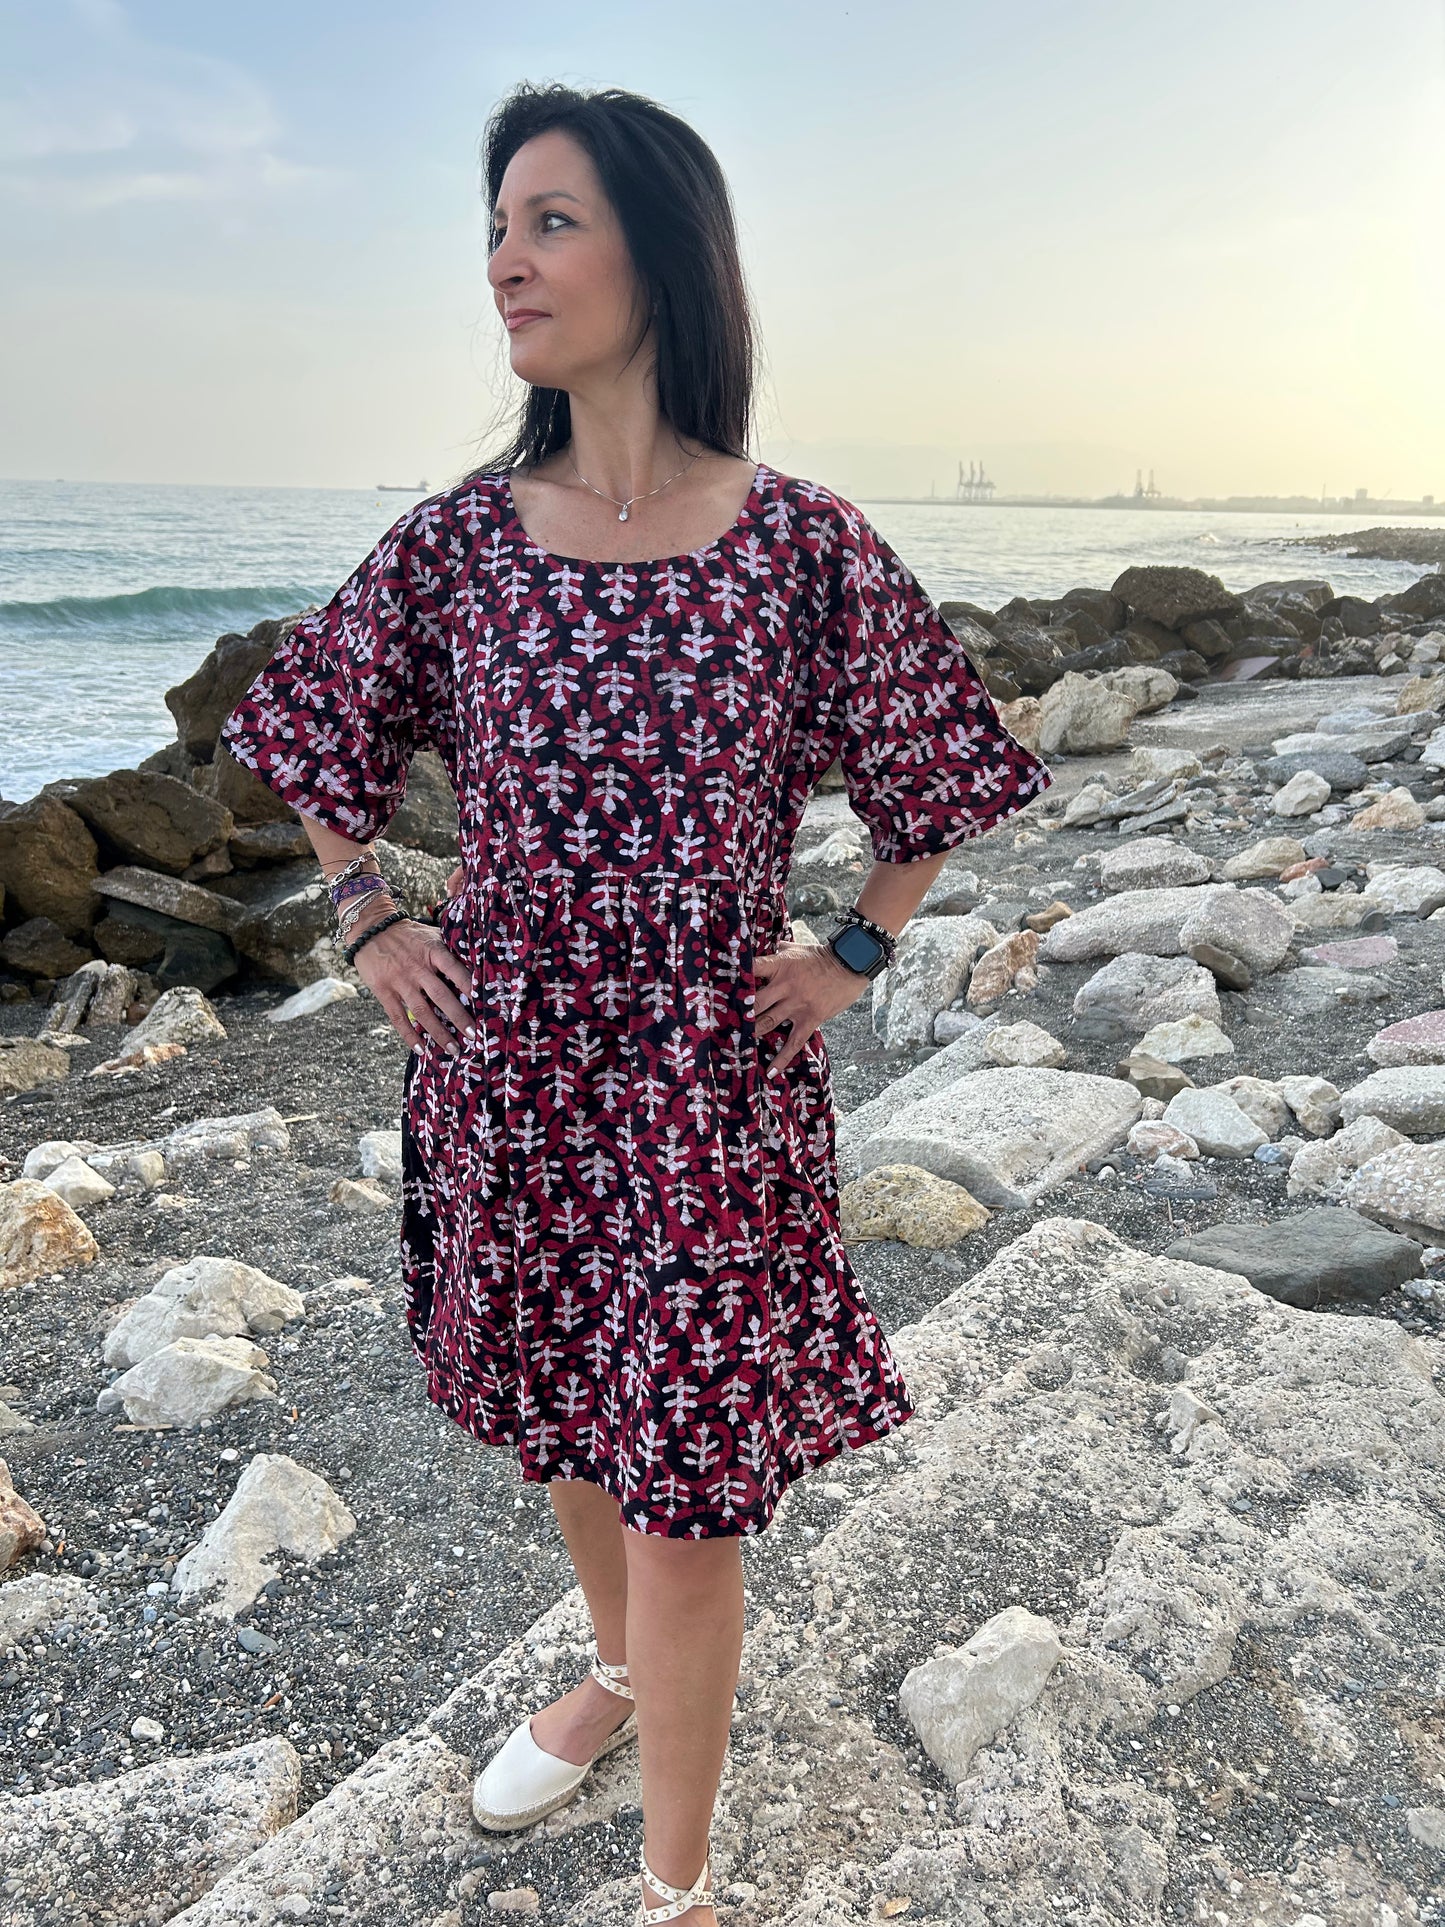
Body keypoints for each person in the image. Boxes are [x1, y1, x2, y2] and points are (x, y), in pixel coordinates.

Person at [219, 79, 1050, 1927]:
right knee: (565, 1415)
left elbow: (937, 770)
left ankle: (680, 1893)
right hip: (504, 1071)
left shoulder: (797, 545)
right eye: (496, 229)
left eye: (550, 221)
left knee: (687, 1495)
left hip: (700, 1085)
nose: (505, 262)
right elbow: (304, 732)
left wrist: (856, 948)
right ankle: (605, 1673)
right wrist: (367, 922)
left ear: (662, 251)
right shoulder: (457, 546)